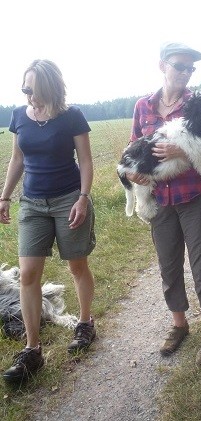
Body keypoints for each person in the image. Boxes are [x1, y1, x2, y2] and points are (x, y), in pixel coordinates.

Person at [126, 42, 201, 366]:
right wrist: (136, 175)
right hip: (161, 201)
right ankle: (179, 324)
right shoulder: (143, 106)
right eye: (179, 66)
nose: (185, 73)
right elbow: (134, 146)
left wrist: (180, 152)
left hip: (196, 197)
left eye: (190, 68)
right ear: (162, 66)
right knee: (169, 266)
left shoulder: (199, 103)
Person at [1, 59, 97, 383]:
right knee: (27, 274)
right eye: (26, 89)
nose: (30, 97)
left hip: (68, 200)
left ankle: (85, 323)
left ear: (51, 88)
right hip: (32, 204)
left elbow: (85, 160)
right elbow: (17, 160)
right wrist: (4, 197)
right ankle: (33, 350)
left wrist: (83, 198)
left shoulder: (72, 116)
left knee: (77, 267)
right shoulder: (18, 117)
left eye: (36, 90)